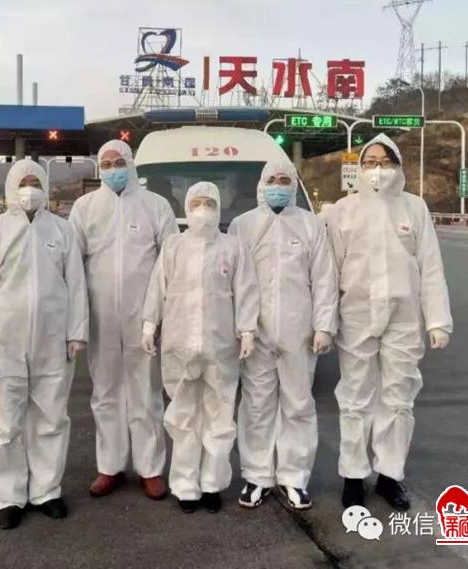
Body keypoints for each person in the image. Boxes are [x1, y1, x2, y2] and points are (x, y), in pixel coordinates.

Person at [325, 134, 453, 510]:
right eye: (369, 162)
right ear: (359, 168)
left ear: (397, 166)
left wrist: (437, 319)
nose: (377, 169)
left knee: (398, 397)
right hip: (357, 314)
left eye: (384, 161)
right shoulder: (343, 211)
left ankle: (389, 475)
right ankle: (352, 475)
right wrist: (325, 323)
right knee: (355, 396)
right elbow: (330, 270)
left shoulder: (414, 207)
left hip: (404, 317)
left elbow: (430, 265)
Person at [0, 160, 88, 530]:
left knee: (52, 418)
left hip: (52, 342)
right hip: (5, 344)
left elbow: (76, 285)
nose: (30, 189)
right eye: (24, 182)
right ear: (11, 187)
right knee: (5, 423)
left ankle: (47, 491)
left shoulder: (62, 231)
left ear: (45, 187)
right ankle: (9, 496)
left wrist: (76, 332)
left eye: (36, 182)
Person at [69, 140, 177, 500]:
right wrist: (77, 319)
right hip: (100, 316)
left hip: (143, 317)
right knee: (105, 393)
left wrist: (160, 316)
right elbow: (72, 265)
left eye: (119, 162)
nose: (113, 168)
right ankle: (109, 466)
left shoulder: (155, 206)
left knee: (146, 392)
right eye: (106, 163)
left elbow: (170, 264)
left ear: (131, 164)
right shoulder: (85, 208)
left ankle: (150, 468)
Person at [141, 182, 259, 514]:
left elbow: (246, 290)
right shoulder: (173, 246)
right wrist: (149, 324)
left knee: (220, 416)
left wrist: (247, 330)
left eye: (209, 203)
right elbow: (158, 287)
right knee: (183, 417)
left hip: (220, 346)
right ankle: (185, 486)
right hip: (179, 345)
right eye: (197, 203)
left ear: (219, 208)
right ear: (186, 207)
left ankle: (212, 484)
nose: (203, 209)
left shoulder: (233, 247)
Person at [228, 160, 339, 511]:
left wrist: (324, 326)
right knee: (256, 404)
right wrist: (241, 327)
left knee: (298, 404)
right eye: (272, 179)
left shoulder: (311, 224)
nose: (278, 185)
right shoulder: (243, 225)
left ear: (293, 185)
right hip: (255, 331)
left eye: (284, 180)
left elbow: (324, 278)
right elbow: (233, 280)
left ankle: (294, 477)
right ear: (262, 184)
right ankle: (257, 476)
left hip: (298, 331)